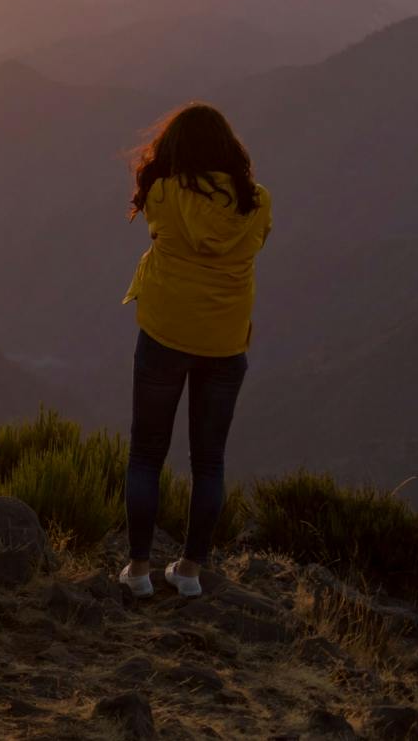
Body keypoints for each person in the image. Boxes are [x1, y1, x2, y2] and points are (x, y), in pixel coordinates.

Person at [118, 104, 271, 599]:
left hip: (164, 335)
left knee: (145, 455)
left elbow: (161, 226)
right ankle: (188, 572)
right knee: (209, 462)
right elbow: (255, 244)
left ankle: (138, 571)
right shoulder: (257, 203)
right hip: (225, 344)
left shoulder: (163, 193)